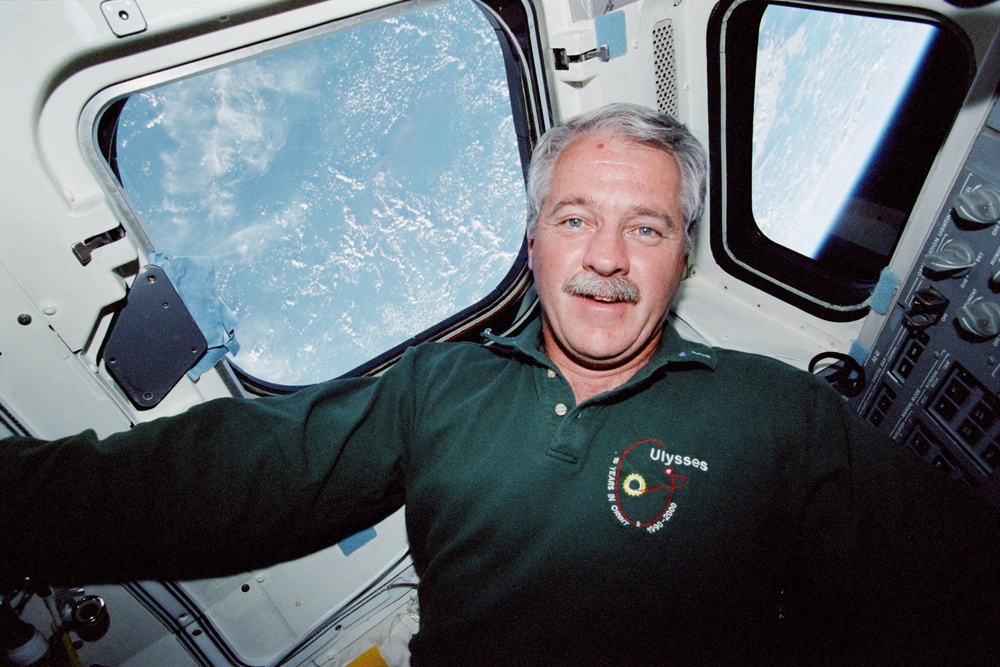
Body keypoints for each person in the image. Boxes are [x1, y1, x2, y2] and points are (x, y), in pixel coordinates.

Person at [2, 103, 998, 665]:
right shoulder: (442, 386)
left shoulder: (780, 414)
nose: (606, 258)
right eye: (575, 220)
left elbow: (958, 588)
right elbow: (217, 477)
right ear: (532, 242)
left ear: (681, 256)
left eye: (645, 228)